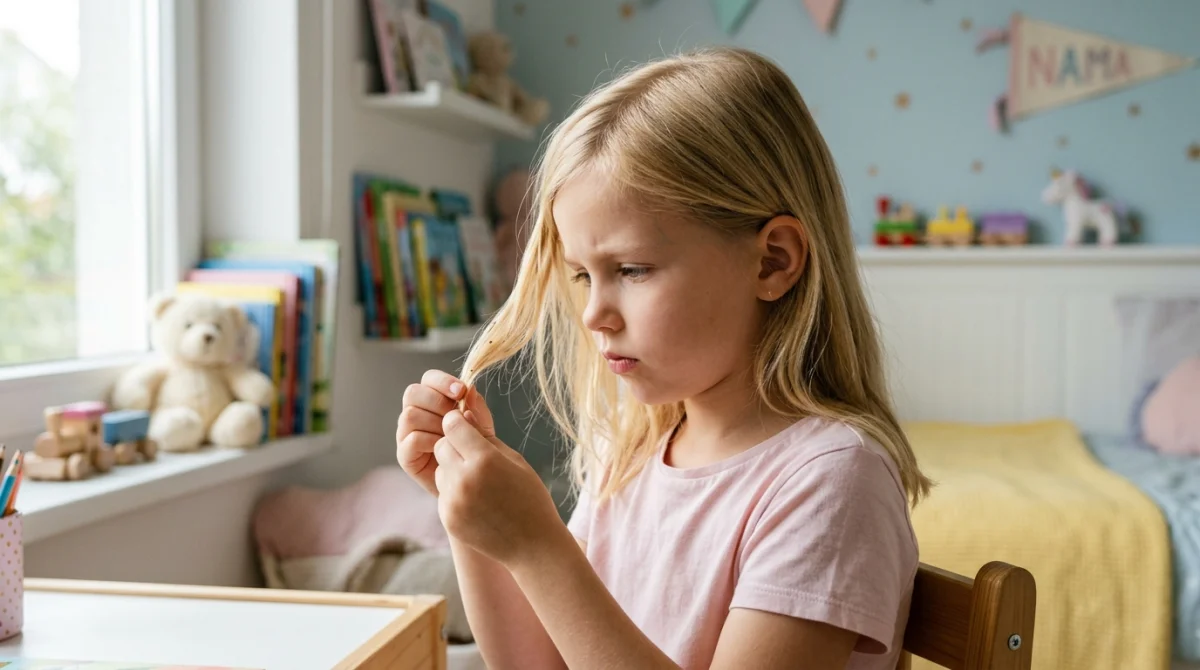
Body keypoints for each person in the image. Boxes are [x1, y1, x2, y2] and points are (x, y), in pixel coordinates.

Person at [395, 45, 929, 670]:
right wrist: (474, 521)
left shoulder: (831, 483)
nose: (594, 312)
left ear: (773, 261)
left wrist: (539, 546)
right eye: (581, 275)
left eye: (632, 269)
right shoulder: (636, 454)